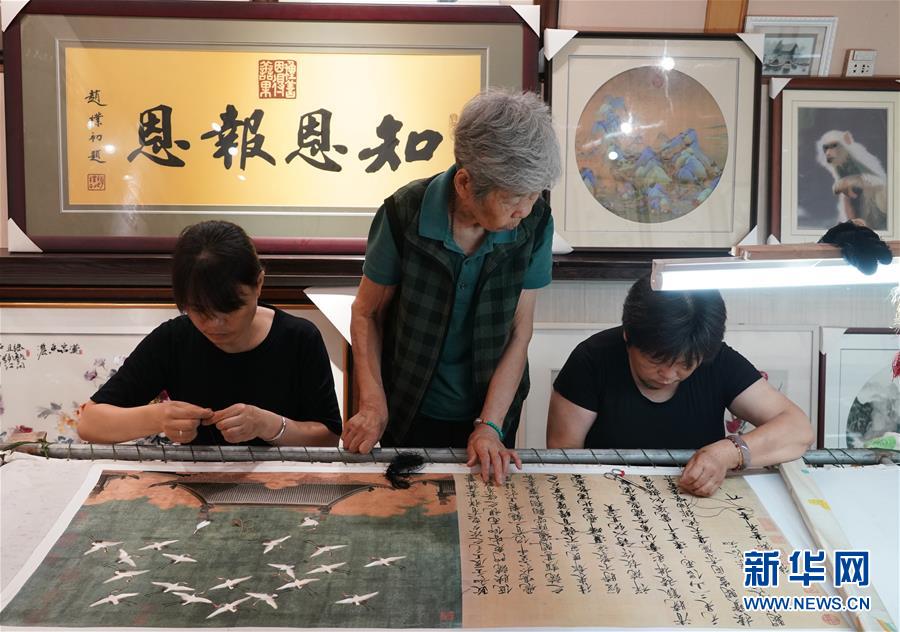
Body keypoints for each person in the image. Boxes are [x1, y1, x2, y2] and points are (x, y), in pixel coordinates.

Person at [343, 89, 561, 485]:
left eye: (533, 196)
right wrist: (373, 404)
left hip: (491, 409)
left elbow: (519, 331)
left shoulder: (536, 223)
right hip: (408, 405)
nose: (525, 210)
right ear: (464, 183)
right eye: (513, 199)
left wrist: (490, 425)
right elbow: (367, 312)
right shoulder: (404, 213)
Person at [78, 221, 341, 446]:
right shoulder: (174, 339)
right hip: (195, 483)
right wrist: (159, 417)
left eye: (230, 308)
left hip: (285, 483)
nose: (215, 324)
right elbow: (89, 423)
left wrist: (269, 425)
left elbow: (328, 438)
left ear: (259, 284)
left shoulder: (299, 338)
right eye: (199, 309)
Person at [547, 275, 814, 497]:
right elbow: (564, 459)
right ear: (628, 335)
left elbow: (798, 430)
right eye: (655, 361)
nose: (668, 375)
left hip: (699, 504)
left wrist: (727, 453)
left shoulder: (716, 360)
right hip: (609, 498)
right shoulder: (591, 361)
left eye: (686, 364)